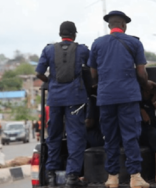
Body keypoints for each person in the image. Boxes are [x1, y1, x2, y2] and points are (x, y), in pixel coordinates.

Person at [88, 10, 149, 188]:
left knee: (110, 137)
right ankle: (135, 177)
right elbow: (141, 72)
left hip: (106, 97)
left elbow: (93, 72)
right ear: (124, 25)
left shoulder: (97, 44)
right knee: (130, 136)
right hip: (128, 96)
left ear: (109, 25)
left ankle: (112, 177)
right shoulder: (134, 43)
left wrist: (104, 84)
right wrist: (146, 84)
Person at [35, 21, 89, 188]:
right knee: (75, 137)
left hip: (55, 99)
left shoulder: (48, 49)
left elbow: (39, 72)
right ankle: (72, 177)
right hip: (75, 99)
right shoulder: (82, 50)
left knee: (53, 135)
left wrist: (50, 83)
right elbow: (93, 68)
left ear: (60, 34)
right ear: (74, 34)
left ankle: (51, 176)